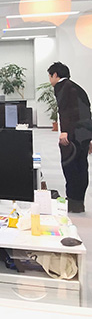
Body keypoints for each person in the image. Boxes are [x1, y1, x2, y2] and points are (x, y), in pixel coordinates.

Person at [48, 62, 92, 213]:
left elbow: (66, 110)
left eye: (50, 76)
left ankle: (73, 202)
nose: (50, 80)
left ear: (55, 75)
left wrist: (65, 131)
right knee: (81, 166)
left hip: (71, 135)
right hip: (83, 134)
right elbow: (86, 112)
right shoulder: (77, 88)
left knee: (70, 167)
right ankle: (78, 202)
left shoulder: (62, 87)